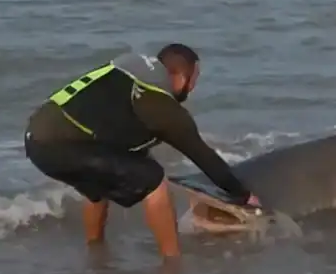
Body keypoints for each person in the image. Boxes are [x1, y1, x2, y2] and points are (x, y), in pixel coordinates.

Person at [23, 43, 260, 258]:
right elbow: (204, 157)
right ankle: (172, 265)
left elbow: (109, 121)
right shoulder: (162, 107)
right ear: (180, 76)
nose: (193, 87)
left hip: (36, 137)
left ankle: (95, 250)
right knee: (154, 179)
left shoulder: (128, 69)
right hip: (62, 144)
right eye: (194, 79)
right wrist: (244, 195)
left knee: (99, 182)